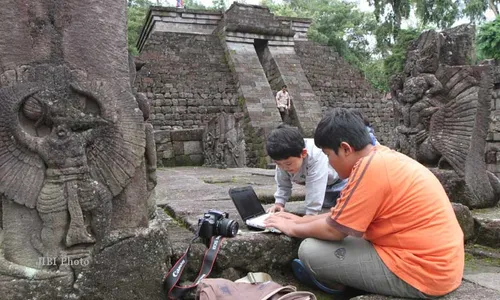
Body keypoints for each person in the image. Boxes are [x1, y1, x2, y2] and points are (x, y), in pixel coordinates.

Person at [264, 108, 464, 299]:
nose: (328, 162)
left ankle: (335, 283)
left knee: (309, 250)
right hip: (442, 265)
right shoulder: (383, 157)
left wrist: (291, 228)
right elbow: (340, 217)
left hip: (423, 272)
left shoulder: (370, 168)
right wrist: (298, 221)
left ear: (345, 149)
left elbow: (335, 230)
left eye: (327, 155)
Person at [266, 124, 347, 215]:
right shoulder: (283, 159)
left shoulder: (315, 155)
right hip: (325, 190)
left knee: (345, 206)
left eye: (288, 164)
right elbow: (283, 184)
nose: (284, 168)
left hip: (340, 183)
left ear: (303, 153)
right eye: (278, 164)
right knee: (326, 204)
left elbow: (315, 187)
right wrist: (279, 203)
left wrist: (310, 215)